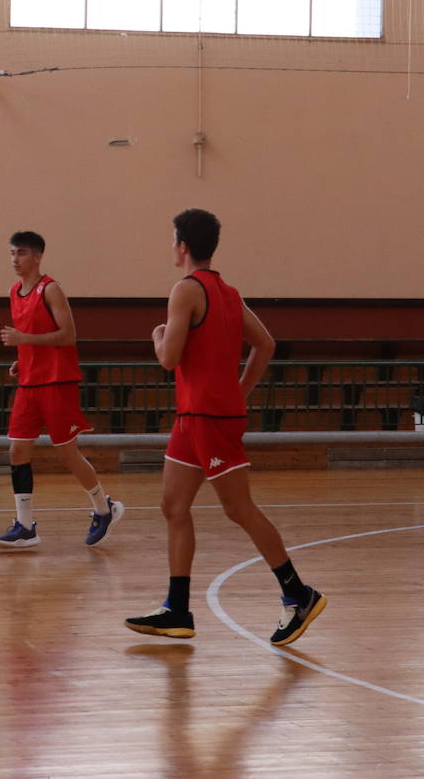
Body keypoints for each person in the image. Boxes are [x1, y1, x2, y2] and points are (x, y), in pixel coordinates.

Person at [125, 209, 326, 645]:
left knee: (240, 509)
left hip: (209, 418)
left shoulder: (185, 291)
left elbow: (168, 358)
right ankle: (177, 609)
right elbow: (265, 344)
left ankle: (298, 593)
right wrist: (240, 390)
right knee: (173, 507)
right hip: (194, 416)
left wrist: (158, 334)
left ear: (181, 245)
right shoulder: (229, 293)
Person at [0, 231, 123, 549]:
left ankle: (103, 509)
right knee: (17, 450)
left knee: (67, 452)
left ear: (37, 256)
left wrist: (24, 341)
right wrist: (22, 360)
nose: (15, 259)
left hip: (57, 382)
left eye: (21, 253)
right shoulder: (14, 291)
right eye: (12, 253)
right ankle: (25, 526)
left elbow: (68, 336)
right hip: (30, 383)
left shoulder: (51, 289)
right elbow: (33, 337)